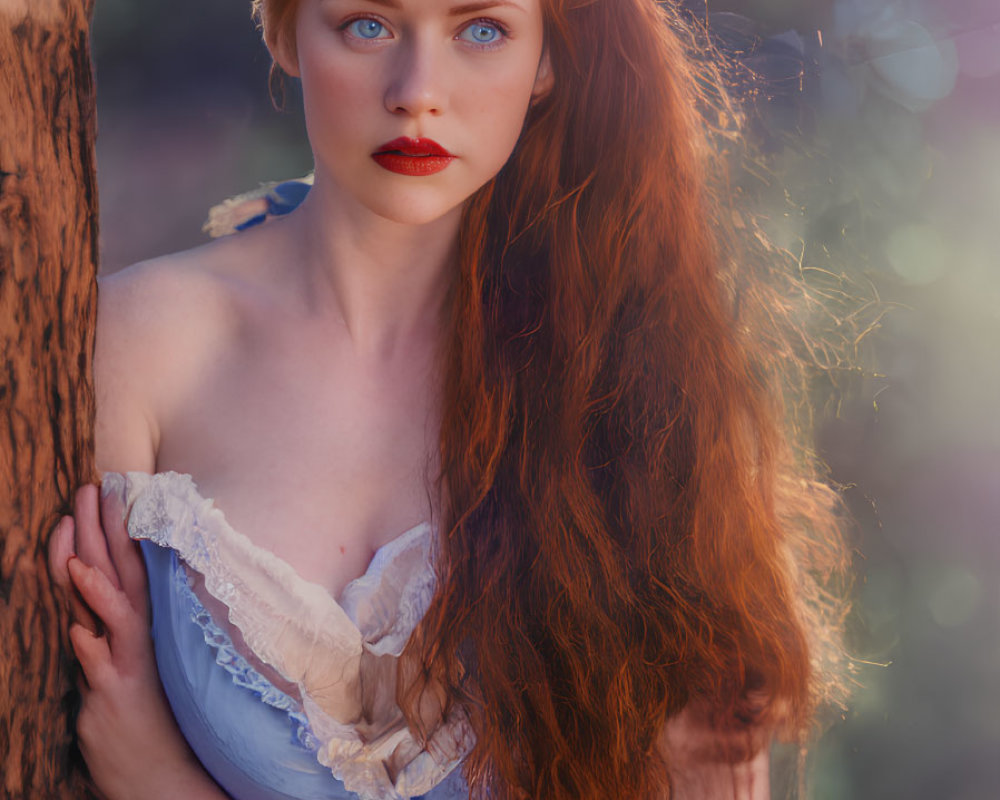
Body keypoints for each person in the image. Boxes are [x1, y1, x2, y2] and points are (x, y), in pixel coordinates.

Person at [48, 0, 849, 798]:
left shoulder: (642, 392)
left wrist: (158, 782)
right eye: (369, 24)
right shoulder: (138, 343)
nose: (418, 91)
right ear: (286, 32)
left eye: (482, 30)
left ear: (547, 62)